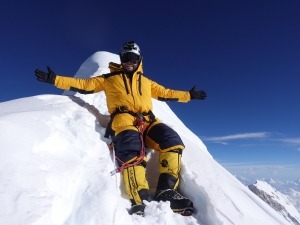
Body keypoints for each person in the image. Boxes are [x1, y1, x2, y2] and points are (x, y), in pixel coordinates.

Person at [35, 41, 207, 216]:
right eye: (125, 57)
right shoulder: (109, 79)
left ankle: (166, 191)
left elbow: (166, 93)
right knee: (131, 148)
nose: (129, 61)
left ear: (139, 60)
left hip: (148, 120)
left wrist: (189, 95)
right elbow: (85, 85)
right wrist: (55, 80)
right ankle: (140, 197)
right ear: (121, 58)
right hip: (123, 120)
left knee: (172, 140)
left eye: (133, 58)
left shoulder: (146, 82)